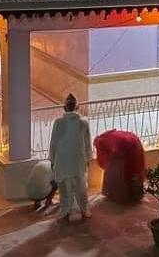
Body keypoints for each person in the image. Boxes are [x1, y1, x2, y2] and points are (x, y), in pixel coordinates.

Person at [49, 93, 92, 222]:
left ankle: (66, 213)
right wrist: (88, 159)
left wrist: (52, 160)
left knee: (64, 188)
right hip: (78, 159)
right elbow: (87, 143)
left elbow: (54, 143)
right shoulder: (83, 122)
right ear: (77, 107)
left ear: (64, 108)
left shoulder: (58, 123)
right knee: (80, 186)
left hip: (62, 159)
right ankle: (84, 212)